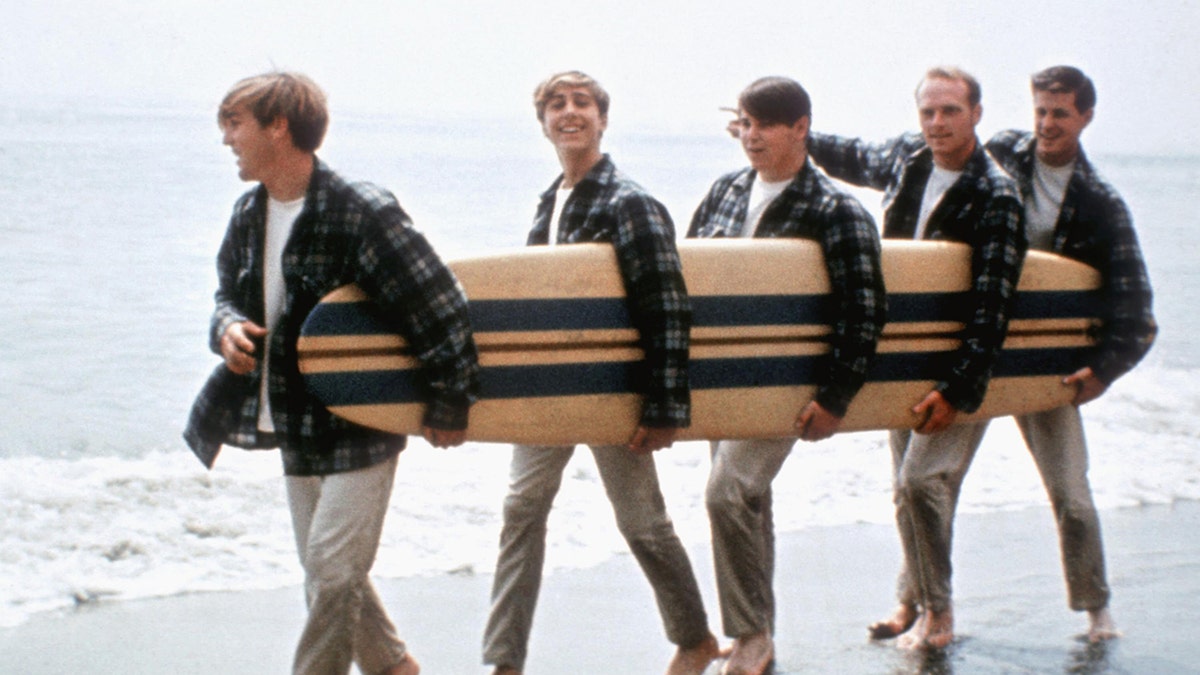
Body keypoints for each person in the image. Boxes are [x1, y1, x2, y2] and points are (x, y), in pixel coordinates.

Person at [183, 72, 480, 675]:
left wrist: (450, 403)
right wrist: (226, 328)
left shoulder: (359, 210)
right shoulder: (250, 213)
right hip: (294, 419)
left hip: (359, 418)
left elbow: (439, 303)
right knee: (327, 573)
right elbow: (226, 297)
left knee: (331, 571)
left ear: (278, 126)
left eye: (234, 123)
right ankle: (394, 667)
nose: (226, 139)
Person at [481, 71, 721, 675]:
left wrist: (664, 405)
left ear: (602, 119)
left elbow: (667, 304)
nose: (569, 113)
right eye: (556, 105)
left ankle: (695, 639)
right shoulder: (550, 199)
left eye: (581, 104)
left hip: (614, 390)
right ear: (543, 124)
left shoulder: (629, 201)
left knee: (640, 520)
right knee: (521, 510)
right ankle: (504, 662)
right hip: (550, 389)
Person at [807, 67, 1026, 649]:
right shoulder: (911, 157)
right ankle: (911, 600)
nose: (937, 123)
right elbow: (853, 154)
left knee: (920, 482)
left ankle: (940, 614)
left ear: (976, 113)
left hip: (961, 367)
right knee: (909, 488)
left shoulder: (998, 195)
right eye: (928, 111)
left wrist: (957, 389)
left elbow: (993, 307)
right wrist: (791, 134)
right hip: (905, 357)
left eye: (950, 111)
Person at [689, 76, 887, 674]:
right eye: (745, 123)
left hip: (790, 383)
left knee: (727, 494)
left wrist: (836, 397)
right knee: (748, 502)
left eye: (765, 125)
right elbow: (692, 272)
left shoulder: (835, 210)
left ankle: (749, 635)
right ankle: (762, 632)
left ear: (800, 128)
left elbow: (866, 309)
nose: (751, 136)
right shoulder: (726, 190)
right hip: (726, 380)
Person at [978, 66, 1156, 642]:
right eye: (1040, 110)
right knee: (928, 484)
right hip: (974, 351)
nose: (1047, 123)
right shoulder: (1002, 154)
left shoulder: (1100, 202)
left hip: (1044, 362)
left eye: (1060, 113)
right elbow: (911, 163)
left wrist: (1104, 371)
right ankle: (921, 606)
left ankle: (1097, 610)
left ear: (1085, 118)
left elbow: (1137, 309)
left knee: (1072, 496)